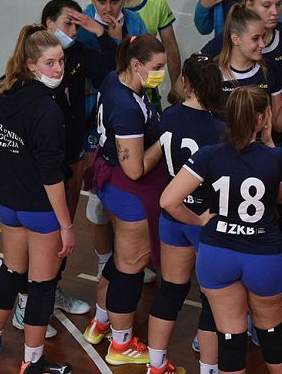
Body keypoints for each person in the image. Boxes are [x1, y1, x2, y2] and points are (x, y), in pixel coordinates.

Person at [160, 86, 282, 374]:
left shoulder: (209, 155)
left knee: (230, 341)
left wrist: (197, 220)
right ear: (262, 118)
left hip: (217, 254)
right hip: (264, 255)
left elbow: (168, 201)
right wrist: (270, 143)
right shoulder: (275, 157)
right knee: (273, 335)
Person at [202, 0, 282, 306]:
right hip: (229, 163)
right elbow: (190, 104)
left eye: (279, 4)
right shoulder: (213, 69)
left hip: (263, 158)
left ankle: (280, 282)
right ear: (236, 38)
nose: (263, 44)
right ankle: (223, 301)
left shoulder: (267, 70)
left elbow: (277, 122)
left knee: (281, 217)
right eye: (257, 39)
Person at [0, 24, 73, 373]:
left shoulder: (5, 92)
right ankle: (32, 363)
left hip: (9, 203)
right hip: (39, 209)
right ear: (32, 64)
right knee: (42, 286)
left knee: (11, 271)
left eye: (61, 61)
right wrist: (66, 225)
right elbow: (51, 174)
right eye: (50, 63)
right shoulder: (47, 110)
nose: (58, 69)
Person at [83, 34, 169, 366]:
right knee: (131, 268)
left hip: (111, 182)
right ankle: (120, 345)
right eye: (157, 67)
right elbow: (134, 169)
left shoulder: (114, 78)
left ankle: (100, 321)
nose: (161, 73)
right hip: (128, 190)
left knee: (121, 258)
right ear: (136, 65)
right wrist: (164, 140)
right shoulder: (127, 109)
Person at [146, 54, 225, 374]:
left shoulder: (168, 116)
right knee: (212, 299)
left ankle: (155, 364)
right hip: (204, 218)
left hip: (173, 217)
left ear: (184, 82)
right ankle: (209, 369)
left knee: (171, 289)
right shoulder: (219, 129)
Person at [76, 0, 151, 289]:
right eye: (101, 1)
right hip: (92, 120)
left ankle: (125, 256)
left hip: (127, 119)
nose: (108, 8)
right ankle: (104, 259)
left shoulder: (135, 23)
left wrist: (114, 41)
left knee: (127, 190)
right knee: (98, 194)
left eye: (115, 1)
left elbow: (132, 71)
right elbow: (98, 73)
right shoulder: (82, 26)